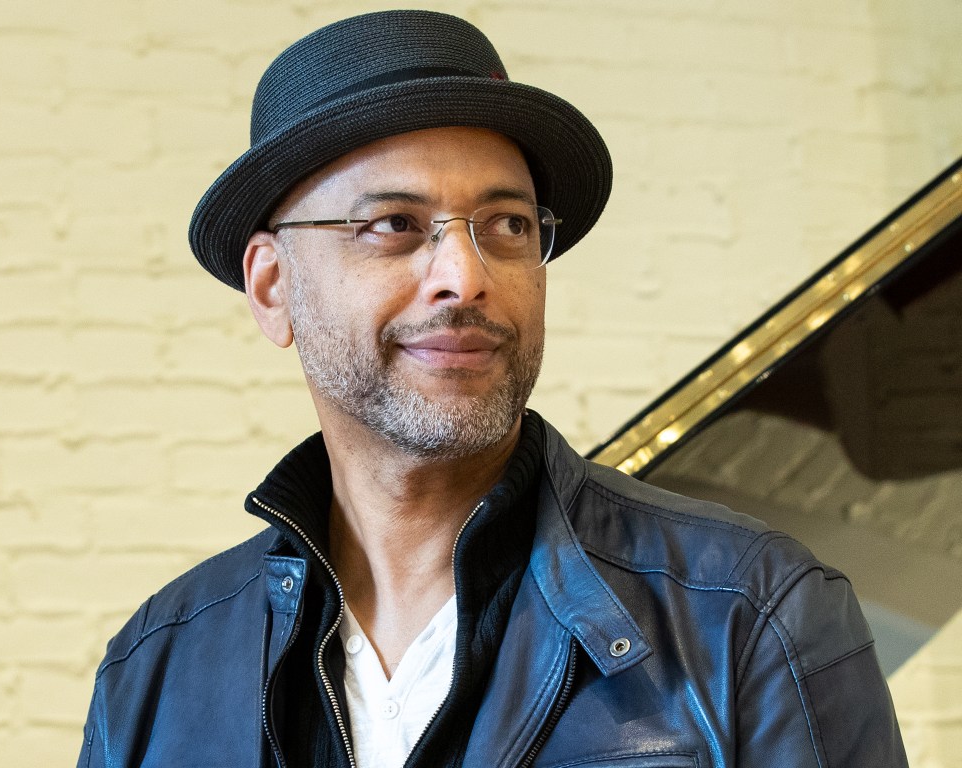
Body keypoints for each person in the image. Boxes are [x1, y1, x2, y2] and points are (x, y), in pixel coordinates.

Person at [77, 10, 907, 768]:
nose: (465, 277)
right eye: (394, 225)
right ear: (272, 287)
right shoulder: (156, 669)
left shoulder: (755, 618)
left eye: (507, 226)